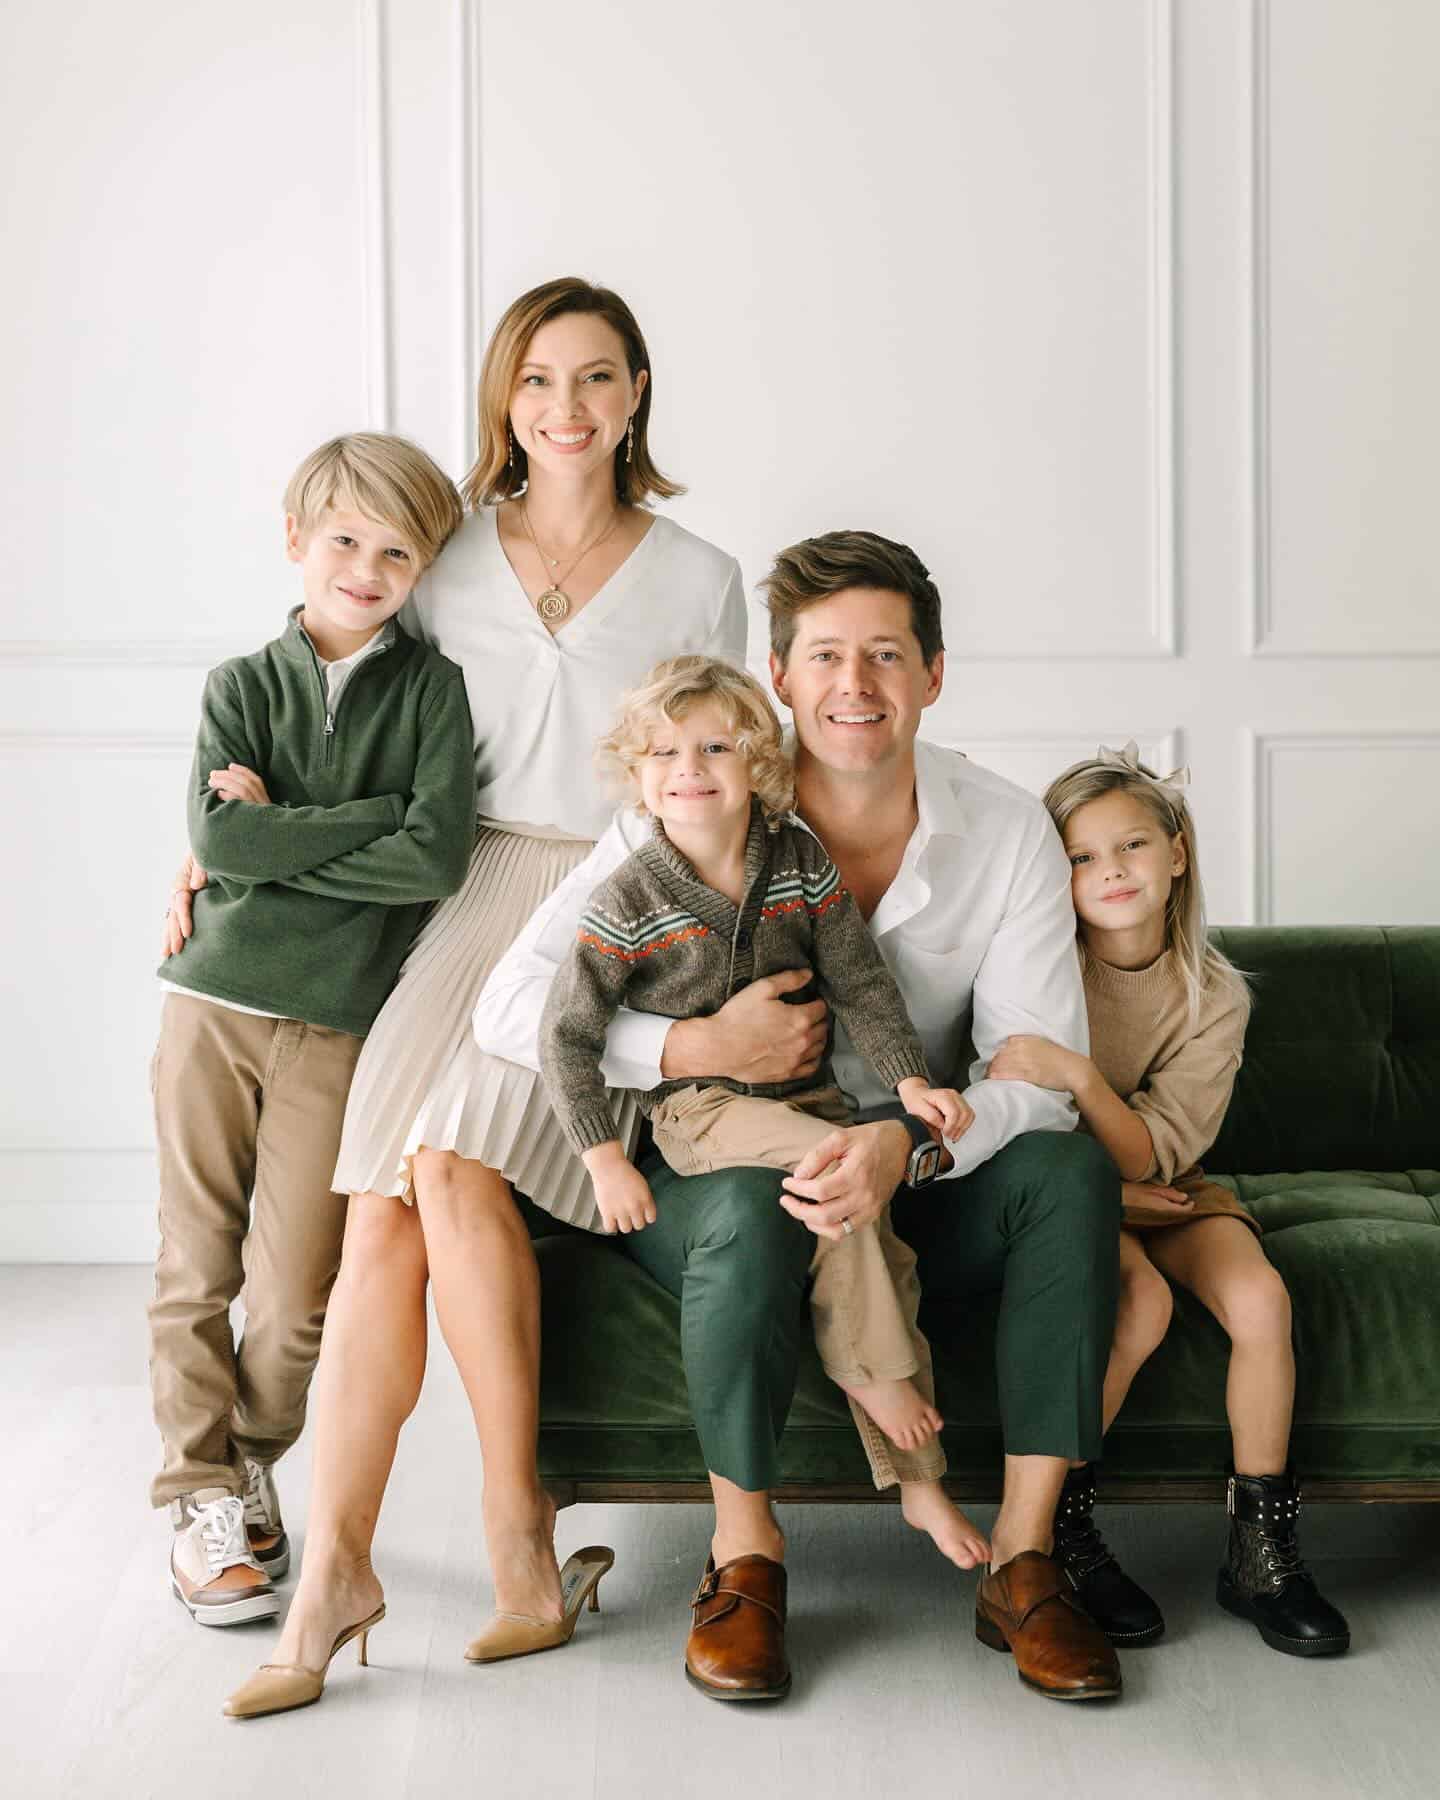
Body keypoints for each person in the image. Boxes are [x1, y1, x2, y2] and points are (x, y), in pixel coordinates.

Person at [163, 278, 747, 1719]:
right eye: (538, 380)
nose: (566, 407)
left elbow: (714, 777)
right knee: (390, 1199)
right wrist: (202, 842)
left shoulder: (698, 574)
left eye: (597, 378)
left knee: (438, 1160)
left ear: (636, 396)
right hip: (454, 900)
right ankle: (384, 1570)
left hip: (608, 901)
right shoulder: (451, 555)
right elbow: (329, 657)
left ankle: (474, 1554)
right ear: (504, 399)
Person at [475, 530, 1126, 1704]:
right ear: (780, 675)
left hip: (914, 1164)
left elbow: (1034, 1073)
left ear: (934, 673)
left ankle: (1025, 1561)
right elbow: (511, 1007)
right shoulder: (693, 799)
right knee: (750, 1205)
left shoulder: (1007, 829)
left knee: (1067, 1173)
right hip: (726, 1161)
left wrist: (911, 1138)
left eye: (886, 655)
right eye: (825, 655)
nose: (854, 686)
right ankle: (745, 1560)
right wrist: (693, 1045)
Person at [536, 654, 991, 1570]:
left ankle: (916, 1483)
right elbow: (563, 1036)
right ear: (638, 778)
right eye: (662, 753)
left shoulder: (795, 859)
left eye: (712, 746)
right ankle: (888, 1388)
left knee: (874, 1225)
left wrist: (907, 1084)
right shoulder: (629, 897)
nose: (687, 768)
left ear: (757, 764)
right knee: (839, 1168)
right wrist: (601, 1159)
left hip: (806, 1101)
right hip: (698, 1113)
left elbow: (860, 979)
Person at [149, 433, 472, 1633]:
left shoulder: (431, 692)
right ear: (298, 541)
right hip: (210, 1007)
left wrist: (296, 825)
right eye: (345, 540)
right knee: (195, 1266)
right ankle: (197, 1496)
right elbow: (223, 848)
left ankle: (245, 1461)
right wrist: (364, 825)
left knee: (295, 1299)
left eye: (397, 551)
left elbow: (434, 856)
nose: (367, 568)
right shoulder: (240, 686)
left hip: (339, 1027)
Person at [985, 742, 1351, 1659]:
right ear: (1051, 870)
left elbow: (1167, 1151)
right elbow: (1024, 1123)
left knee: (1262, 1299)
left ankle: (1260, 1555)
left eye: (1133, 846)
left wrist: (1082, 1080)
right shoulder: (1037, 961)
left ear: (1177, 854)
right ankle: (1059, 1532)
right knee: (1138, 1304)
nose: (1110, 870)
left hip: (1166, 1190)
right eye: (1081, 855)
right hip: (1063, 1195)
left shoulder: (1212, 994)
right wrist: (1109, 1176)